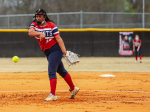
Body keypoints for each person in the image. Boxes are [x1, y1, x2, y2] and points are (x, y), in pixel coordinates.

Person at [28, 9, 79, 101]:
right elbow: (30, 33)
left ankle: (53, 95)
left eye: (40, 16)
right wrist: (40, 33)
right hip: (47, 51)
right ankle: (73, 88)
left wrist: (64, 52)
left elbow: (58, 39)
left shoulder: (51, 25)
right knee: (62, 71)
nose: (38, 18)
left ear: (44, 16)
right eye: (37, 16)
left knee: (51, 71)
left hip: (55, 50)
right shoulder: (34, 24)